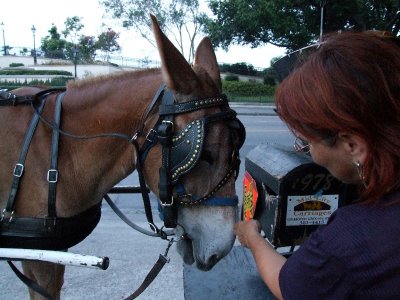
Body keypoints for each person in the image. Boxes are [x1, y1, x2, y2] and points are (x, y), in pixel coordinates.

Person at [234, 31, 400, 299]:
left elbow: (288, 286)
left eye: (307, 139)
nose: (305, 150)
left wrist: (252, 238)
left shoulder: (351, 241)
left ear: (352, 146)